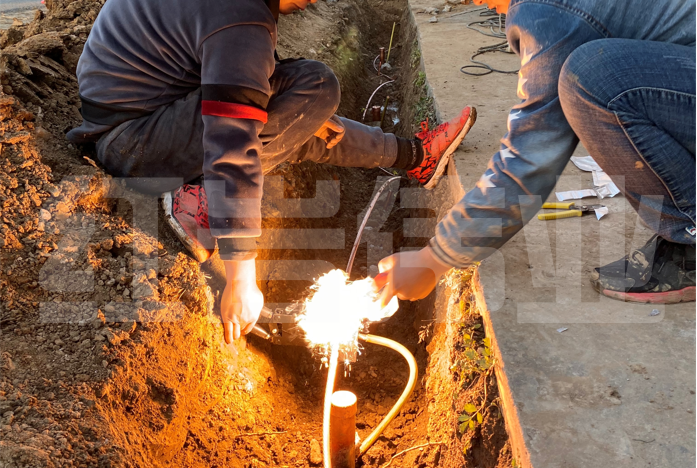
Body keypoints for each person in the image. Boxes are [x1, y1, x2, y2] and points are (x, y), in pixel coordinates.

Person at [66, 0, 477, 343]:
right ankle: (202, 197)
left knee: (302, 113)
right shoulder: (240, 15)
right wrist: (241, 275)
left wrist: (299, 113)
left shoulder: (238, 13)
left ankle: (415, 155)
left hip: (144, 115)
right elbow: (231, 143)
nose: (315, 2)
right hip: (135, 140)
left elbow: (235, 68)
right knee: (316, 86)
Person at [375, 0, 696, 306]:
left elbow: (531, 157)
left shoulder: (546, 16)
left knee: (591, 79)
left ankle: (691, 241)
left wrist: (433, 259)